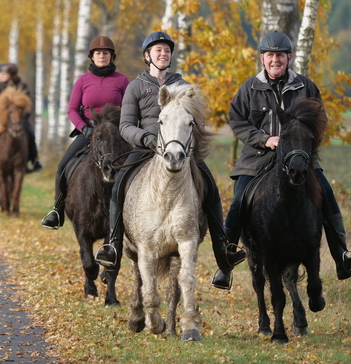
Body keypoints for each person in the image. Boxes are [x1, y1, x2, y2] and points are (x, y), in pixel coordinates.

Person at [94, 31, 246, 289]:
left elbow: (197, 121)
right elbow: (126, 126)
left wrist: (185, 139)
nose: (163, 54)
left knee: (209, 185)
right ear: (147, 56)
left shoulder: (184, 86)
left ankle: (224, 250)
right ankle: (113, 245)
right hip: (146, 148)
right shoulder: (135, 86)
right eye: (157, 50)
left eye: (166, 50)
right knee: (119, 186)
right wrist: (145, 139)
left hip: (179, 148)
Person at [212, 31, 351, 286]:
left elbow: (321, 121)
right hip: (257, 158)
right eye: (270, 55)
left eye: (280, 55)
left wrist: (303, 147)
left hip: (298, 158)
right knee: (239, 202)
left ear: (289, 57)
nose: (275, 60)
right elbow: (237, 121)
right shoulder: (249, 88)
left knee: (326, 194)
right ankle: (225, 265)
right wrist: (265, 139)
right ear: (262, 58)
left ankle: (342, 255)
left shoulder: (305, 86)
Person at [41, 36, 129, 229]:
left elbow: (129, 108)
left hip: (114, 135)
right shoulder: (83, 80)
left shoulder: (122, 80)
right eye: (98, 53)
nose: (102, 56)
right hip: (88, 131)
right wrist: (84, 128)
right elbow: (72, 109)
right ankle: (57, 211)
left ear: (112, 56)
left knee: (133, 167)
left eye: (106, 53)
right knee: (63, 166)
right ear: (92, 56)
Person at [0, 63, 42, 176]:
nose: (0, 76)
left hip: (18, 119)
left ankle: (34, 160)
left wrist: (25, 115)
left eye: (3, 73)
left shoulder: (22, 86)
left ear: (11, 74)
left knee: (31, 134)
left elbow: (28, 103)